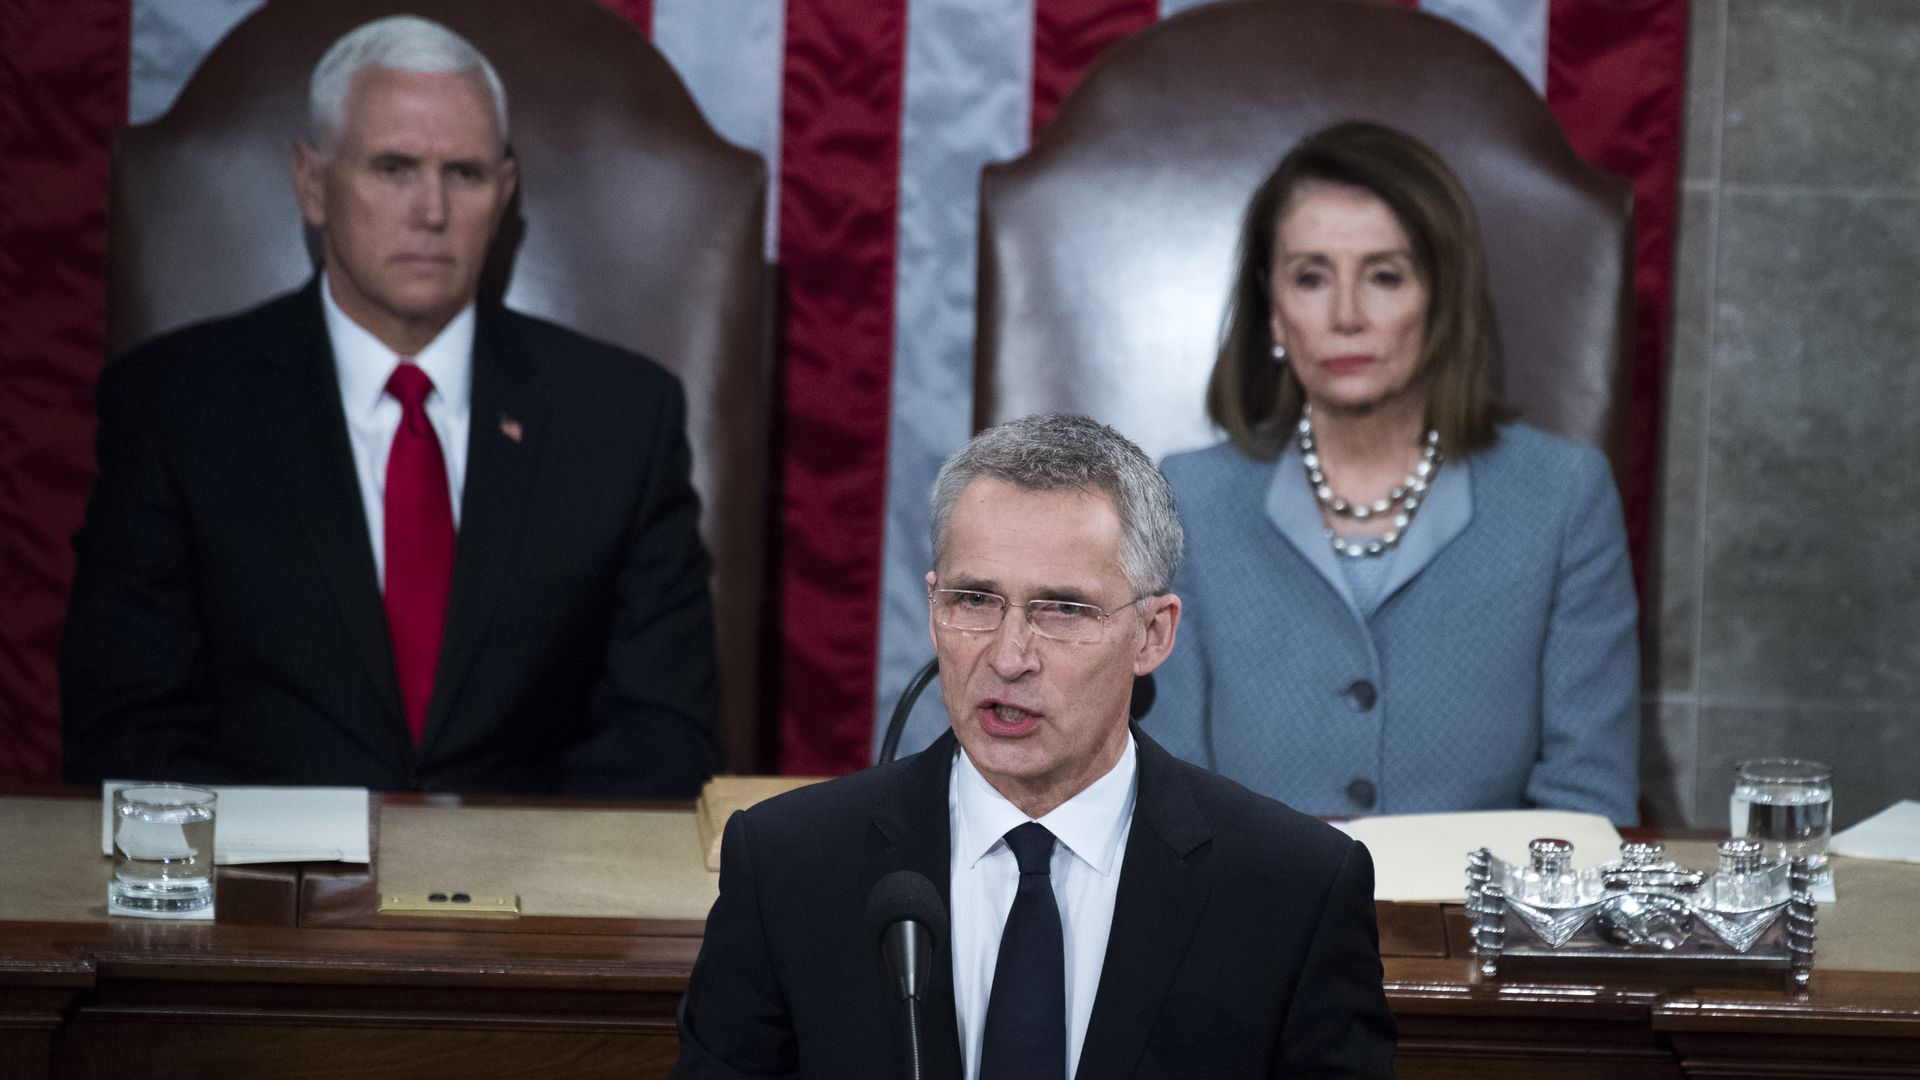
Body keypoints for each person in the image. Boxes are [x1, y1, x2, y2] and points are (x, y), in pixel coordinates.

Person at [60, 16, 718, 796]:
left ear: (504, 193)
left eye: (465, 173)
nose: (431, 210)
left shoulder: (620, 419)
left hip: (533, 902)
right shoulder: (176, 409)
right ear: (312, 184)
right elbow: (128, 729)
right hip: (260, 901)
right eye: (394, 167)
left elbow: (664, 738)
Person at [673, 415, 1395, 1079]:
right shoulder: (787, 869)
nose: (1009, 655)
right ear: (933, 608)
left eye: (1064, 609)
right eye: (974, 601)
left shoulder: (1294, 891)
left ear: (1154, 633)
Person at [1151, 121, 1639, 824]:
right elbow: (1175, 806)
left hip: (1485, 929)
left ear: (1441, 299)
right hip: (1256, 925)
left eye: (1384, 275)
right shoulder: (1188, 500)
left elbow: (1587, 806)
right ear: (1276, 313)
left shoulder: (1563, 497)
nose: (1346, 316)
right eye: (1311, 277)